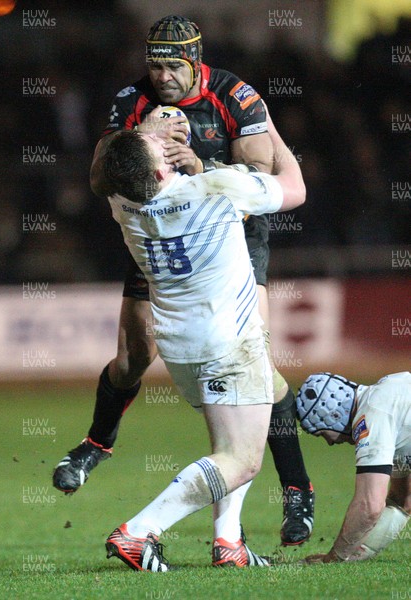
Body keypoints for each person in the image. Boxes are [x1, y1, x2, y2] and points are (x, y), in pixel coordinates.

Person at [53, 14, 314, 545]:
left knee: (257, 364)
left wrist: (198, 165)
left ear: (196, 61)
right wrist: (140, 137)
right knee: (132, 358)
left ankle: (296, 492)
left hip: (227, 233)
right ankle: (96, 445)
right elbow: (104, 174)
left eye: (173, 64)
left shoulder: (235, 96)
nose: (162, 74)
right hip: (162, 227)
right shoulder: (132, 100)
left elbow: (257, 175)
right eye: (154, 63)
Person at [101, 109, 305, 570]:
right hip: (229, 342)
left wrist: (148, 136)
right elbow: (295, 187)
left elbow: (123, 164)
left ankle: (227, 543)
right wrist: (267, 126)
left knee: (237, 432)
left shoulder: (122, 203)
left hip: (181, 349)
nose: (165, 141)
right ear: (158, 169)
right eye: (158, 144)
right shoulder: (215, 188)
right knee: (242, 460)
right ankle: (138, 530)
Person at [296, 371, 410, 563]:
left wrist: (334, 558)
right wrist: (355, 553)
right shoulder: (390, 391)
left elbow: (370, 505)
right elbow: (403, 500)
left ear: (333, 415)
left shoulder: (372, 414)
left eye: (322, 434)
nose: (330, 443)